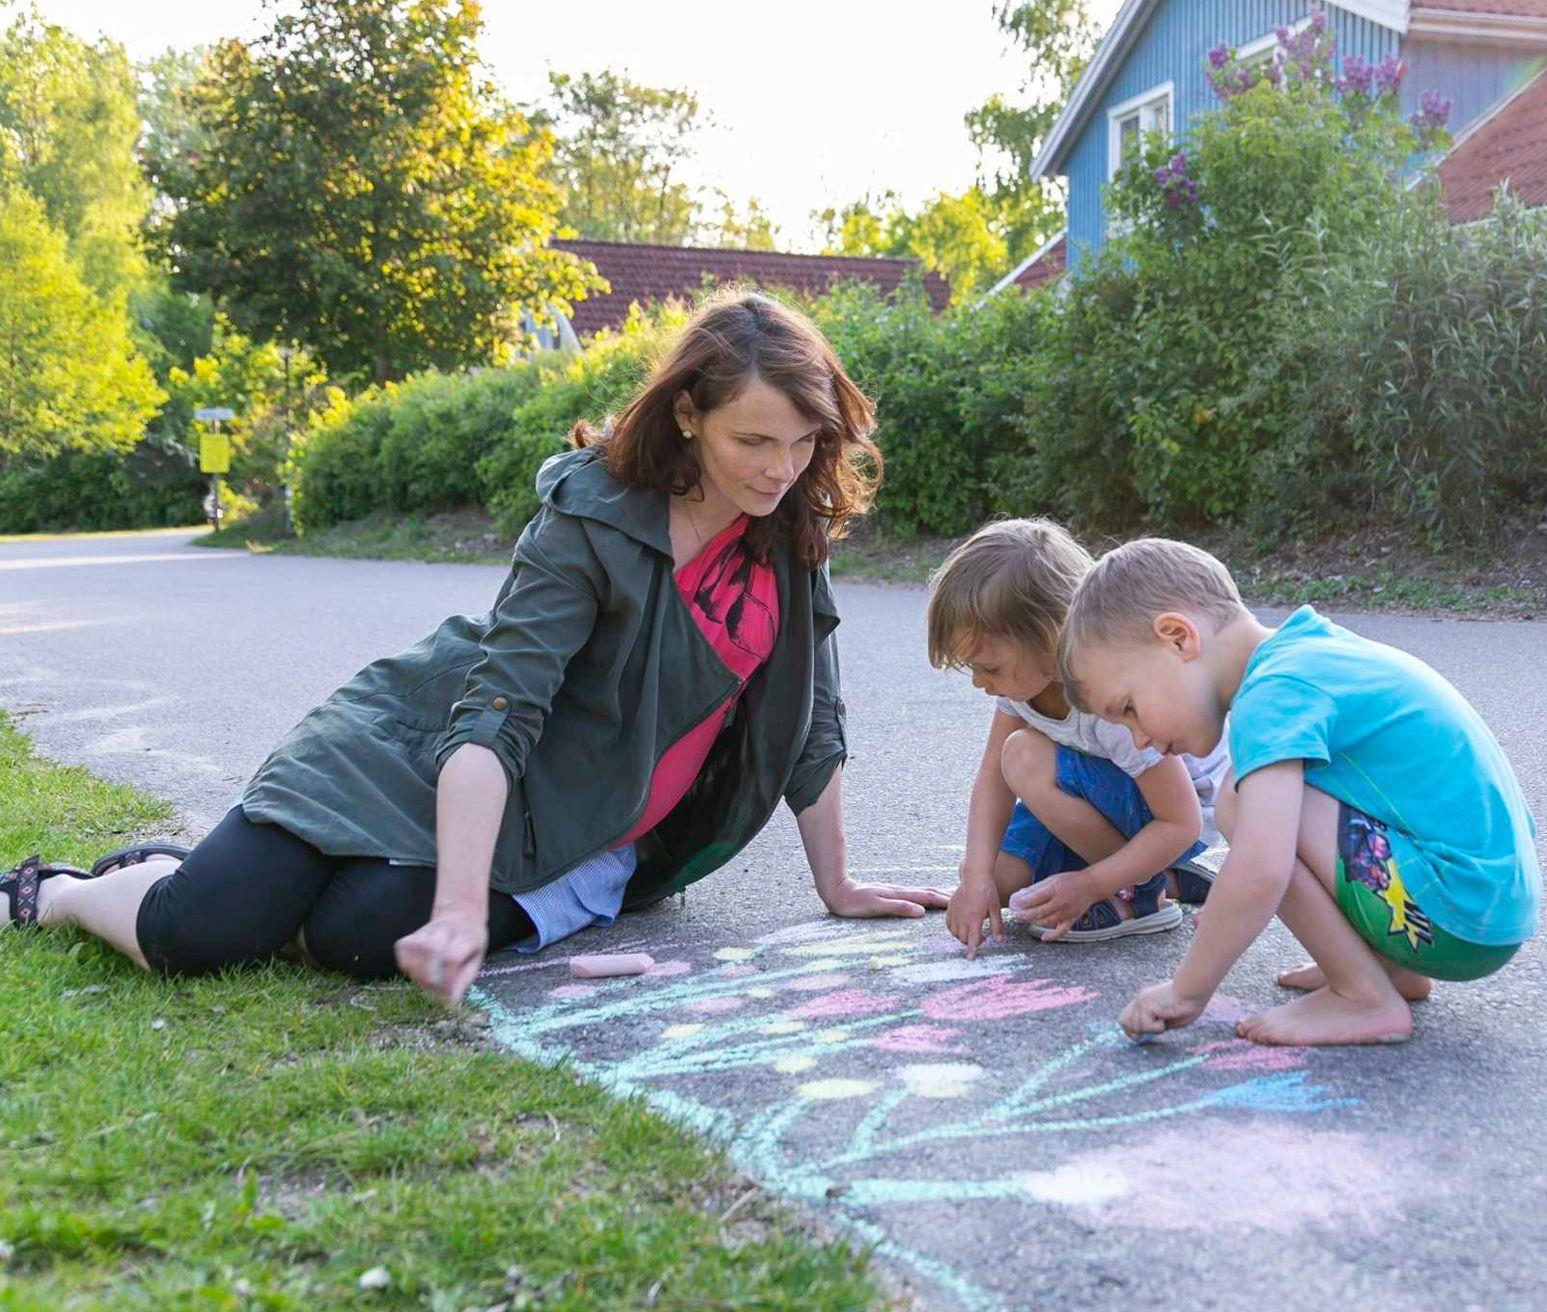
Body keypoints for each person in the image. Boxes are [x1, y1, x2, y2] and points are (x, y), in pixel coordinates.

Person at [4, 291, 947, 1004]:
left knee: (360, 934)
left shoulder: (789, 534)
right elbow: (498, 715)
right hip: (415, 746)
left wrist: (837, 883)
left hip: (568, 822)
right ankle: (61, 893)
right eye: (754, 440)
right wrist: (458, 911)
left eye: (802, 441)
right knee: (195, 932)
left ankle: (241, 882)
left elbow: (813, 720)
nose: (782, 468)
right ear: (688, 415)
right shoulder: (594, 516)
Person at [1058, 538, 1540, 1047]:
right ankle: (1387, 969)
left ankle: (1361, 994)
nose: (1139, 740)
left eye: (1129, 708)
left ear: (1178, 638)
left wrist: (1187, 990)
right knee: (1264, 793)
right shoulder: (1311, 654)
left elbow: (1262, 867)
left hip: (1454, 913)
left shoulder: (1273, 694)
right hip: (1484, 910)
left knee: (1241, 801)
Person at [928, 519, 1226, 953]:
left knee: (1024, 756)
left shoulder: (1111, 703)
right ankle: (1164, 877)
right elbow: (992, 778)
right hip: (1105, 799)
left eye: (989, 667)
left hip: (1173, 816)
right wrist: (975, 877)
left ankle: (1142, 897)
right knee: (1003, 883)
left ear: (1050, 640)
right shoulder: (1021, 687)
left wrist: (1091, 885)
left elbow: (1182, 822)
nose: (978, 681)